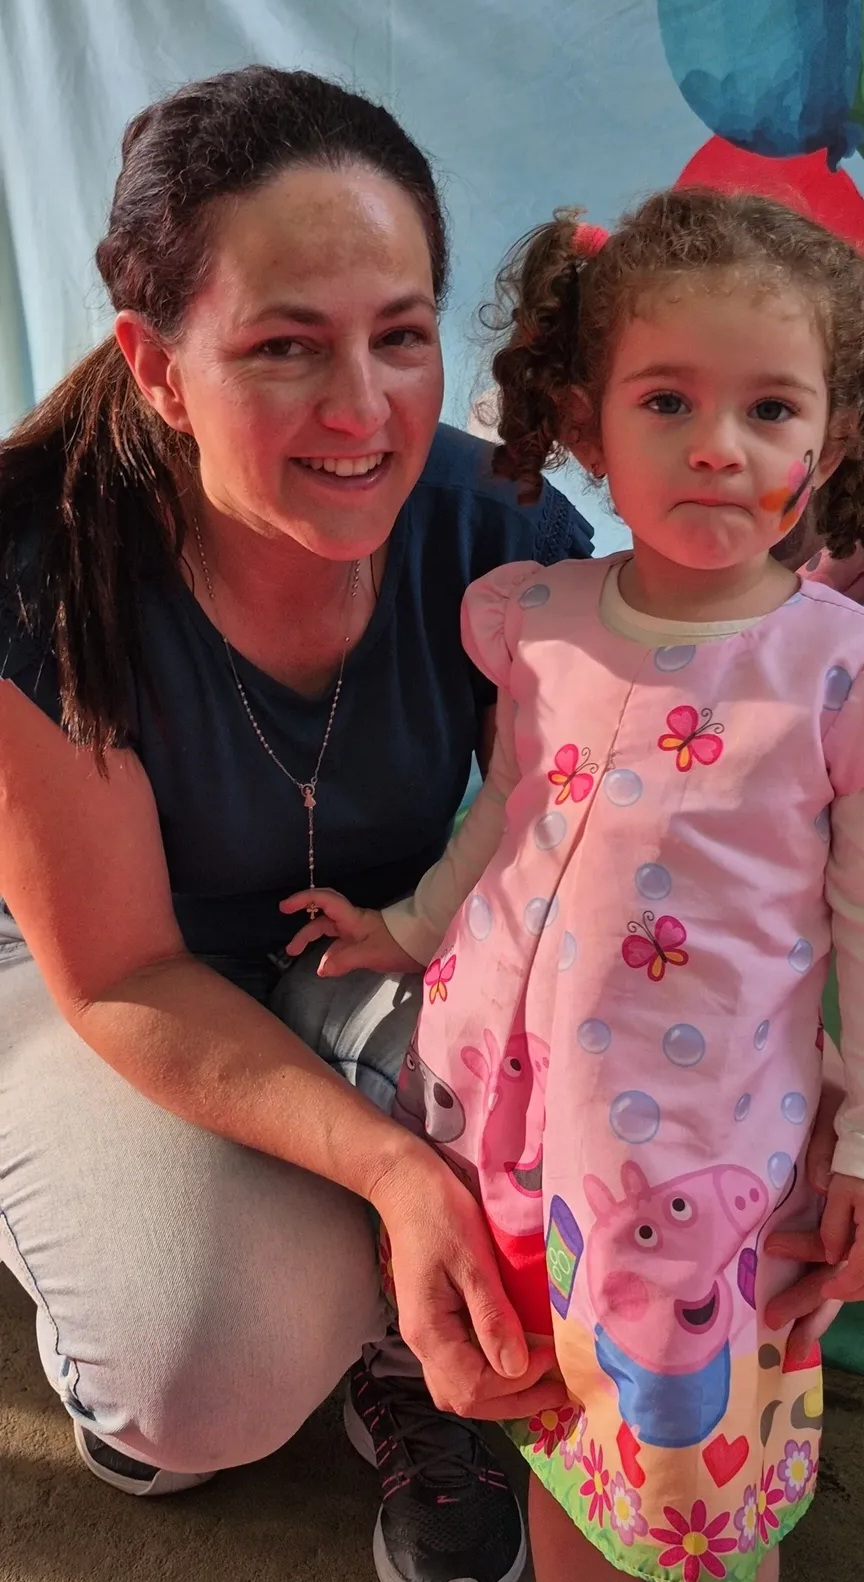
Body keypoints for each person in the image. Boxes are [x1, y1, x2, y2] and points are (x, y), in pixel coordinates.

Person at [285, 189, 864, 1581]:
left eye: (770, 409)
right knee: (557, 1434)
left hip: (695, 1174)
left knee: (682, 1488)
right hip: (509, 1128)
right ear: (588, 424)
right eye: (668, 402)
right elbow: (508, 819)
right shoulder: (540, 618)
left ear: (834, 436)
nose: (719, 445)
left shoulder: (849, 677)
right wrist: (407, 927)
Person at [0, 64, 601, 1582]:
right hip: (94, 978)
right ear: (155, 365)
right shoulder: (36, 562)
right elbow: (124, 970)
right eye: (284, 346)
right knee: (200, 1378)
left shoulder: (503, 530)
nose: (361, 408)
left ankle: (407, 1359)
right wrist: (399, 1176)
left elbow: (599, 848)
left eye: (400, 334)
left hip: (366, 953)